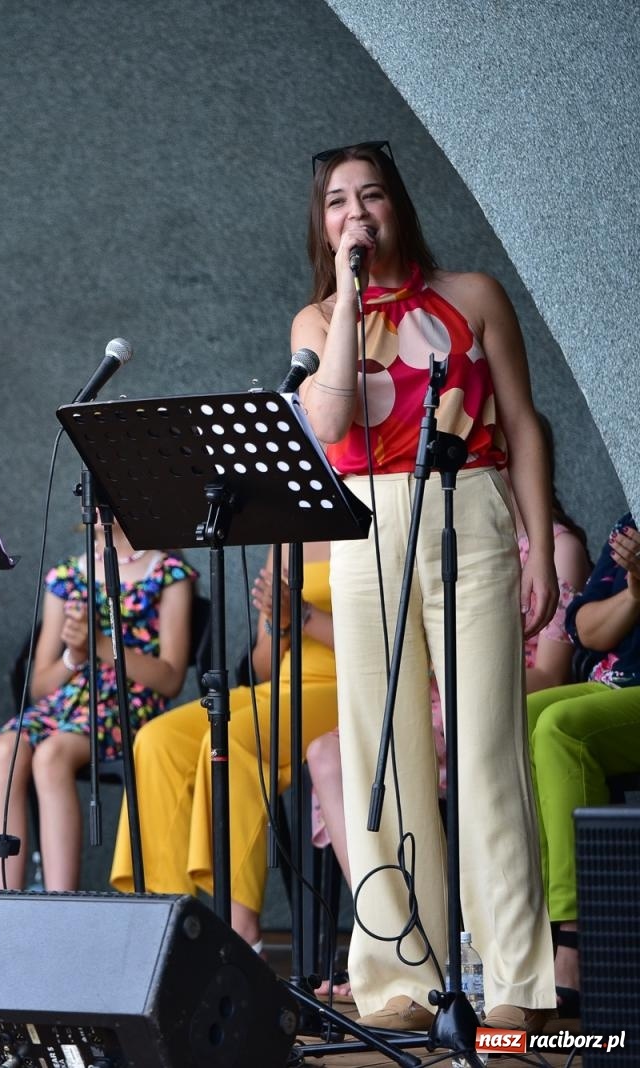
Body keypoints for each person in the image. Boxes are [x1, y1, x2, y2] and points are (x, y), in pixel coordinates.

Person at [292, 141, 557, 1032]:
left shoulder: (473, 295)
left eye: (370, 196)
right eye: (337, 202)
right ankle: (401, 977)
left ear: (399, 205)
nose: (356, 212)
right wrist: (348, 294)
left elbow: (522, 421)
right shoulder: (315, 319)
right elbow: (329, 422)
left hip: (469, 505)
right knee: (381, 755)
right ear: (322, 224)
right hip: (362, 528)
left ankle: (513, 981)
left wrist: (541, 550)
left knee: (485, 750)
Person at [306, 467, 590, 999]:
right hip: (434, 692)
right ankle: (397, 934)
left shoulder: (555, 543)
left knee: (476, 763)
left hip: (503, 690)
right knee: (330, 751)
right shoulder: (419, 528)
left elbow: (550, 672)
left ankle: (497, 968)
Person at [110, 542, 335, 952]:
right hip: (283, 687)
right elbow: (265, 667)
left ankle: (240, 935)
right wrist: (282, 625)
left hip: (350, 689)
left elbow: (392, 641)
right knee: (158, 741)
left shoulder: (386, 512)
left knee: (230, 736)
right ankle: (165, 927)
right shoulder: (286, 538)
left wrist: (303, 615)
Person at [0, 523, 195, 892]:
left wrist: (101, 644)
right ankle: (3, 897)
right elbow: (39, 687)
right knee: (6, 751)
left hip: (129, 702)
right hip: (66, 700)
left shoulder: (167, 573)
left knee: (51, 756)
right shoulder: (67, 577)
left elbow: (170, 679)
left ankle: (59, 899)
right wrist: (74, 656)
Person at [526, 513, 640, 1016]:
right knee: (512, 719)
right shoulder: (633, 519)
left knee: (560, 728)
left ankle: (575, 942)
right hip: (612, 683)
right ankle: (524, 935)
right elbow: (587, 629)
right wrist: (637, 591)